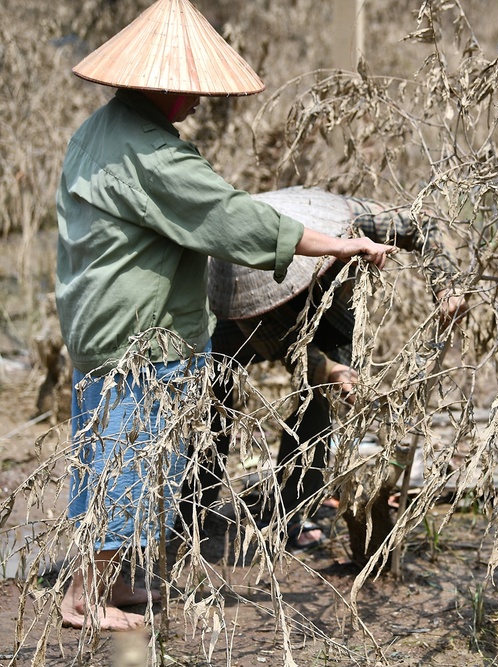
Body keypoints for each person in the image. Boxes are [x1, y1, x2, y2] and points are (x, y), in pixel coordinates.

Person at [55, 0, 395, 632]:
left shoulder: (101, 131)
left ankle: (119, 578)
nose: (199, 102)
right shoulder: (155, 159)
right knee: (124, 455)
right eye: (191, 89)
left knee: (127, 450)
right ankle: (84, 595)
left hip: (99, 319)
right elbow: (234, 217)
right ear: (159, 83)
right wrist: (338, 243)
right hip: (136, 332)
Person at [185, 187, 466, 552]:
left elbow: (421, 223)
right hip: (247, 318)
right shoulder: (240, 280)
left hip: (329, 309)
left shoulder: (351, 219)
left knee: (319, 409)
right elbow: (293, 350)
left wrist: (447, 287)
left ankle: (286, 516)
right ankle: (192, 512)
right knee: (214, 398)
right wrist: (331, 371)